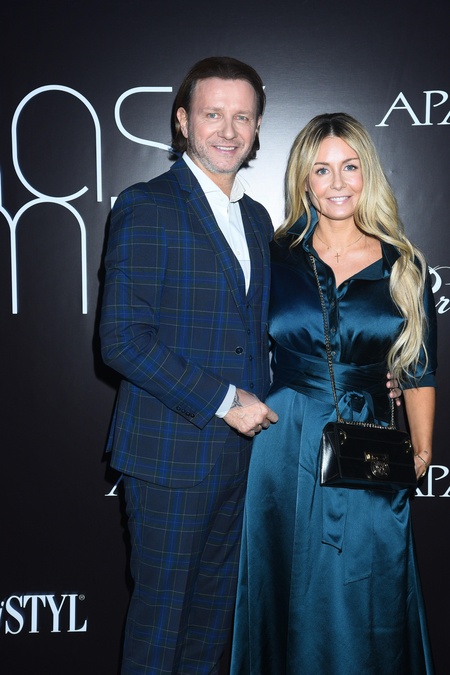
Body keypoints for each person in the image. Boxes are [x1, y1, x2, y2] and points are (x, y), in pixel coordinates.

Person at [230, 113, 437, 675]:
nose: (338, 183)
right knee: (285, 584)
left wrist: (421, 453)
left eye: (350, 167)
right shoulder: (273, 256)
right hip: (283, 443)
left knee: (367, 587)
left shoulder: (404, 266)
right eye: (322, 170)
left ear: (368, 174)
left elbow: (418, 369)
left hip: (370, 439)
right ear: (304, 180)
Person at [99, 56, 280, 674]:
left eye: (242, 117)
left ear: (257, 128)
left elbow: (260, 334)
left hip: (244, 462)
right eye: (212, 114)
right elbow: (122, 340)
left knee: (212, 630)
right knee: (161, 631)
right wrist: (225, 401)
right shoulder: (146, 205)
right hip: (169, 460)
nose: (228, 131)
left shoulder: (257, 219)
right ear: (183, 121)